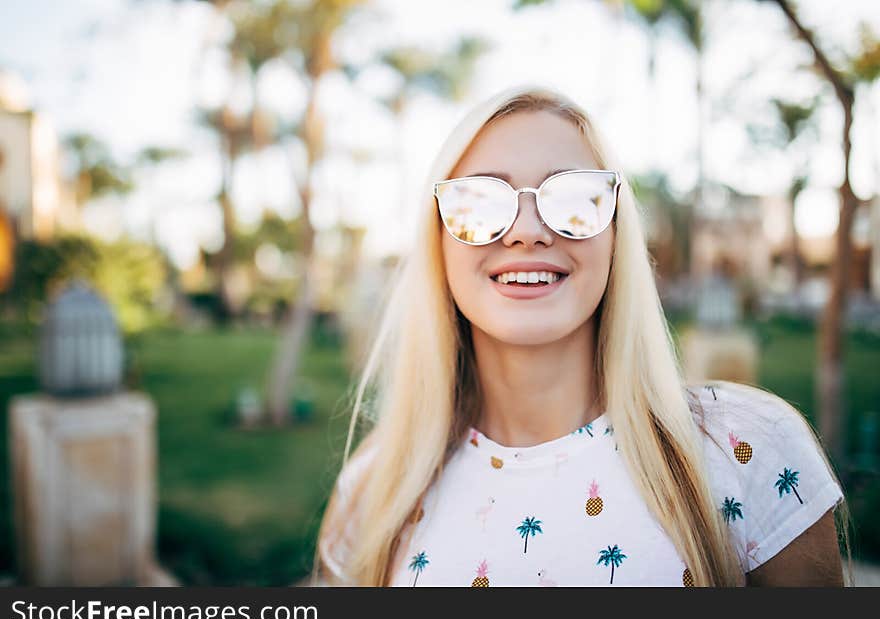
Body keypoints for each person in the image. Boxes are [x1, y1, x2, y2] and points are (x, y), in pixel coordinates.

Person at [314, 84, 850, 587]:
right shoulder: (371, 493)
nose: (526, 230)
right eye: (478, 202)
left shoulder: (745, 450)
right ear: (439, 240)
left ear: (617, 236)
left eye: (575, 199)